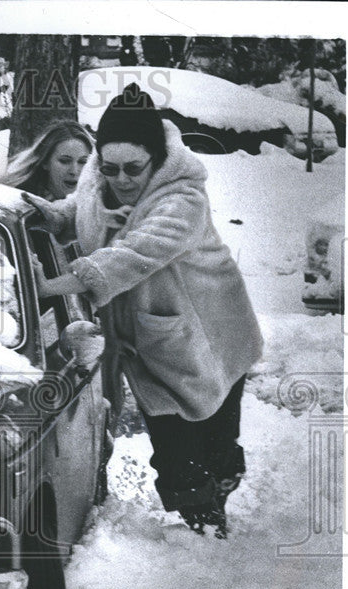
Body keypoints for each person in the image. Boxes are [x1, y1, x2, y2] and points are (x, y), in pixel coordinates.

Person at [29, 84, 263, 538]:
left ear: (156, 159)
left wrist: (50, 286)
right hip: (161, 340)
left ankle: (216, 522)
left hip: (213, 336)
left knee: (213, 447)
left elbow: (130, 255)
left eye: (133, 169)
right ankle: (201, 522)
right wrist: (50, 215)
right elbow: (80, 206)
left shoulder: (183, 200)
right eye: (110, 168)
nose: (121, 179)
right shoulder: (101, 176)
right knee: (177, 463)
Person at [3, 120, 94, 200]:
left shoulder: (98, 206)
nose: (74, 171)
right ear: (45, 162)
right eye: (64, 161)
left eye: (83, 162)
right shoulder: (21, 203)